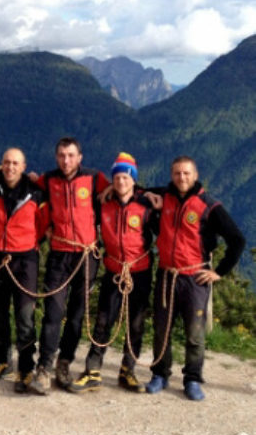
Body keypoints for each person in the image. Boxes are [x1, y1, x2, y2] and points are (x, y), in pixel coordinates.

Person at [146, 156, 245, 400]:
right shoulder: (164, 196)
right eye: (177, 173)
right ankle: (160, 373)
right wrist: (143, 197)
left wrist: (219, 272)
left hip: (195, 278)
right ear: (171, 174)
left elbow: (237, 240)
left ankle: (192, 379)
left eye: (186, 173)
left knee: (194, 333)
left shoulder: (209, 206)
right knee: (162, 329)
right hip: (167, 275)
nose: (182, 178)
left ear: (195, 174)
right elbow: (131, 188)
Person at [68, 153, 158, 394]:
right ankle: (92, 370)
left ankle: (127, 371)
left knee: (135, 324)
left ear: (134, 180)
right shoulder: (103, 203)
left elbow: (167, 224)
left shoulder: (146, 205)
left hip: (140, 271)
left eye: (126, 177)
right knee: (103, 321)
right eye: (117, 177)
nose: (121, 182)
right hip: (113, 269)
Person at [32, 137, 108, 393]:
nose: (66, 160)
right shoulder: (47, 180)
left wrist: (154, 196)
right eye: (62, 155)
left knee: (76, 316)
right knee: (53, 312)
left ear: (80, 157)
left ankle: (64, 363)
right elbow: (27, 187)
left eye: (71, 155)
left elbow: (125, 189)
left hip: (87, 256)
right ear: (56, 157)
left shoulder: (95, 179)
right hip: (59, 255)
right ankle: (43, 367)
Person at [0, 148, 48, 393]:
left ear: (24, 166)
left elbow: (43, 223)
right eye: (6, 162)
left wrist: (24, 243)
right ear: (1, 164)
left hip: (24, 259)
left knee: (25, 316)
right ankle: (2, 360)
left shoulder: (36, 192)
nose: (10, 167)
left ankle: (26, 367)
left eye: (15, 163)